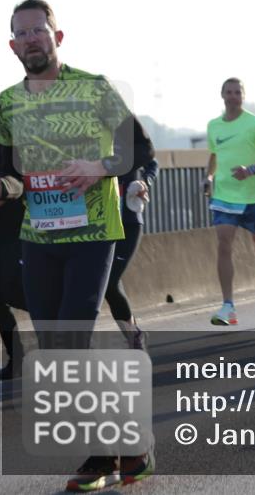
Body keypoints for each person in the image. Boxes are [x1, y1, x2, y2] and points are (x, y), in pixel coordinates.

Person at [0, 0, 154, 489]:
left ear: (58, 38)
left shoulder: (94, 88)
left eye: (41, 29)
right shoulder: (10, 104)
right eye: (23, 32)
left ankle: (115, 451)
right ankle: (117, 450)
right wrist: (0, 190)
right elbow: (11, 172)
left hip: (94, 230)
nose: (32, 38)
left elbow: (137, 147)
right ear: (13, 45)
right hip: (39, 235)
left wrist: (99, 166)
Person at [204, 78, 255, 326]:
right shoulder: (213, 126)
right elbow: (214, 157)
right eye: (228, 92)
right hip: (223, 196)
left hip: (252, 197)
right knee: (223, 244)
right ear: (222, 95)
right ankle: (228, 307)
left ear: (243, 96)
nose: (232, 96)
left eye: (237, 92)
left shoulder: (254, 123)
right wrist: (208, 177)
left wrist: (250, 170)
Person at [0, 84, 26, 380]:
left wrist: (3, 189)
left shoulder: (8, 141)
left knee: (14, 288)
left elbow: (21, 179)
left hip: (14, 226)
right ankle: (17, 356)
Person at [104, 120, 157, 349]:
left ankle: (133, 336)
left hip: (128, 219)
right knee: (108, 283)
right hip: (99, 221)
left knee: (110, 281)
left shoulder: (128, 131)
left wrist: (145, 181)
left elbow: (152, 162)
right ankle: (132, 332)